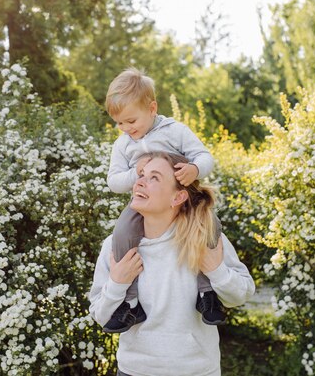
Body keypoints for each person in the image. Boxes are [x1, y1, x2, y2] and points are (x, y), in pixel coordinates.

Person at [89, 152, 255, 376]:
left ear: (177, 197)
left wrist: (217, 272)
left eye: (154, 177)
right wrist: (118, 283)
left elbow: (241, 295)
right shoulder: (116, 246)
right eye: (142, 175)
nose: (140, 182)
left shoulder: (203, 239)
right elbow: (100, 316)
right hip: (134, 371)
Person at [103, 68, 226, 332]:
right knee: (122, 232)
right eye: (119, 123)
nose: (126, 129)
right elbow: (113, 181)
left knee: (210, 225)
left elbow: (205, 157)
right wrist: (134, 173)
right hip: (145, 203)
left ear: (152, 108)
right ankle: (131, 304)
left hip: (186, 199)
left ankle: (207, 295)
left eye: (131, 120)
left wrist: (194, 169)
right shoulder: (123, 145)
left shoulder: (175, 131)